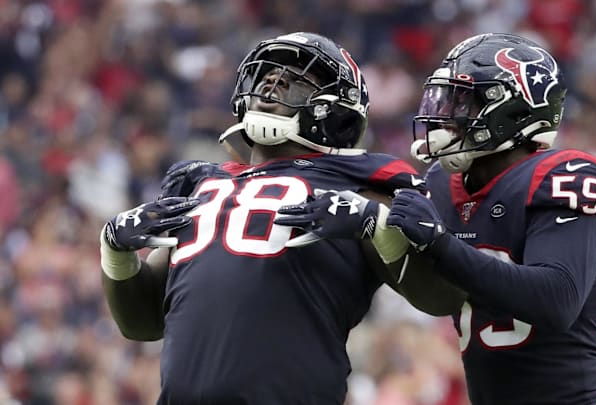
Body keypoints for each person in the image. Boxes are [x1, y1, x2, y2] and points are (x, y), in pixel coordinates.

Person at [99, 32, 464, 404]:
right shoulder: (203, 185)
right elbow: (141, 324)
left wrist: (380, 225)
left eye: (297, 77)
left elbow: (441, 298)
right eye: (269, 73)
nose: (274, 80)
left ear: (336, 109)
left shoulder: (359, 188)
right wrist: (115, 253)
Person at [277, 33, 596, 404]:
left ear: (515, 111)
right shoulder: (442, 182)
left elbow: (556, 299)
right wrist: (372, 221)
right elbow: (435, 293)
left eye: (464, 103)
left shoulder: (563, 173)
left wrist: (439, 243)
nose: (446, 116)